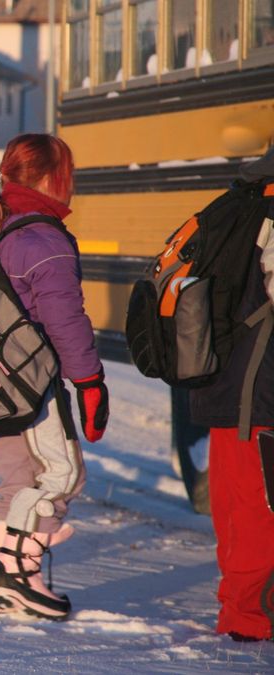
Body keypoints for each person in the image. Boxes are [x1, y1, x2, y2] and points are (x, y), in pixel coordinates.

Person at [0, 133, 107, 621]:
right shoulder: (43, 238)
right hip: (31, 386)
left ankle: (6, 580)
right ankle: (18, 578)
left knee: (18, 478)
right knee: (60, 474)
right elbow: (65, 322)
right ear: (50, 178)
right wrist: (89, 383)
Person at [189, 147, 274, 643]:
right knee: (258, 511)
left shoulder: (233, 205)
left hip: (227, 383)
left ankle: (242, 613)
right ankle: (248, 619)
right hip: (259, 390)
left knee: (239, 508)